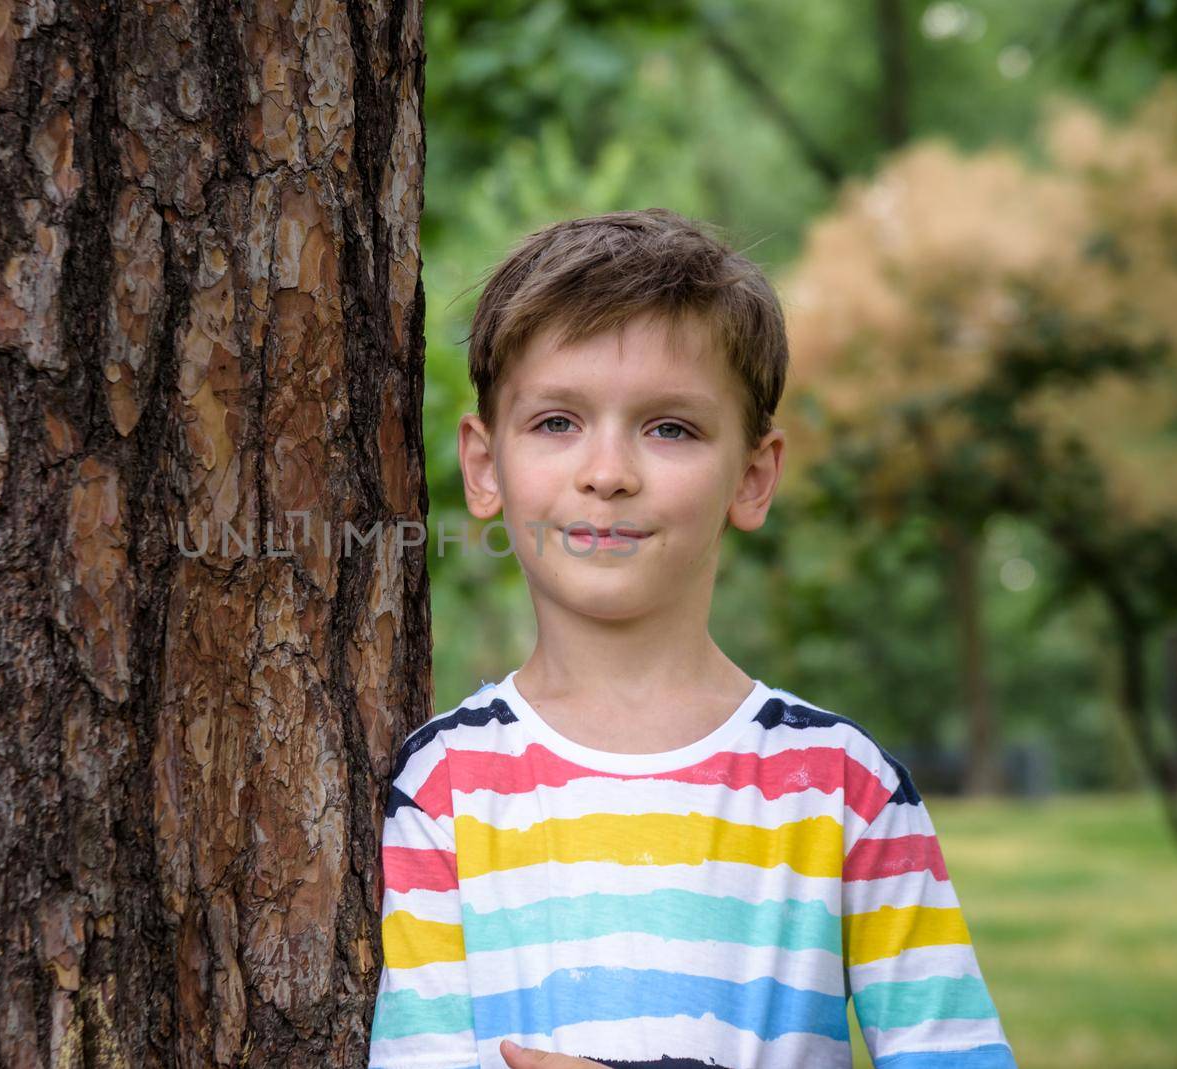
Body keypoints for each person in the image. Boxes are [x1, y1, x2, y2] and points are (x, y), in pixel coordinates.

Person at [366, 209, 1016, 1069]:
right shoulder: (441, 786)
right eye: (557, 421)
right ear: (485, 467)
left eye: (669, 427)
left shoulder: (842, 789)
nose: (608, 472)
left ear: (752, 477)